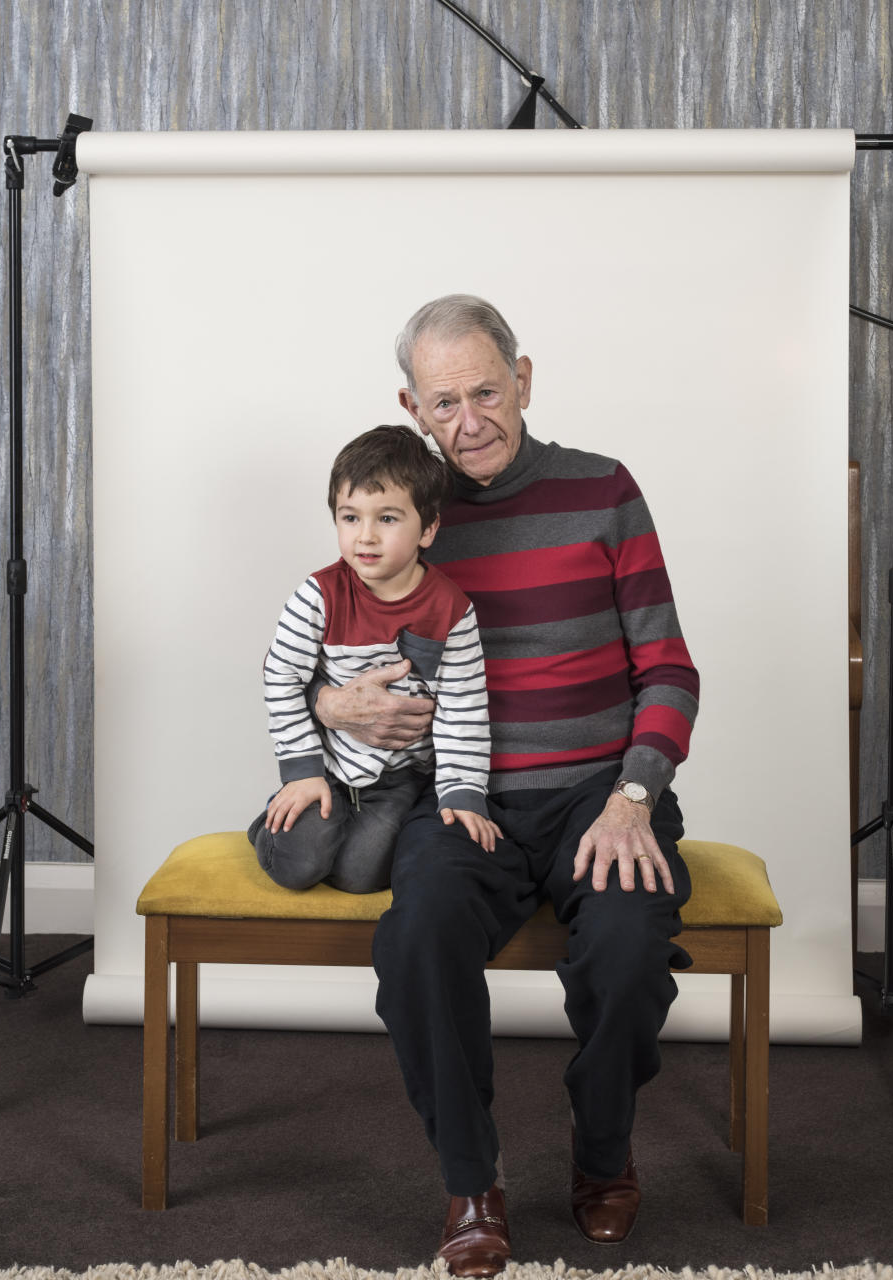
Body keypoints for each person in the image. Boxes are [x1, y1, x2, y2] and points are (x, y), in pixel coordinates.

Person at [312, 297, 700, 1275]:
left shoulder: (604, 490)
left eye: (487, 390)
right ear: (412, 402)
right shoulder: (409, 513)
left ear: (523, 379)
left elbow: (670, 670)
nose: (469, 417)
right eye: (443, 401)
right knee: (416, 935)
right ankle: (471, 1178)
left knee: (626, 941)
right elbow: (321, 654)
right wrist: (331, 706)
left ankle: (602, 1140)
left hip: (599, 795)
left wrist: (634, 795)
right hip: (461, 794)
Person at [247, 423, 500, 895]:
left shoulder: (452, 610)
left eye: (387, 518)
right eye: (350, 517)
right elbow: (280, 675)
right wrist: (302, 773)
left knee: (362, 875)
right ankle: (268, 829)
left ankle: (341, 836)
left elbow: (464, 708)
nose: (365, 536)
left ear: (428, 528)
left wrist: (464, 792)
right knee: (302, 862)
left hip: (401, 780)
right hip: (328, 766)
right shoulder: (317, 596)